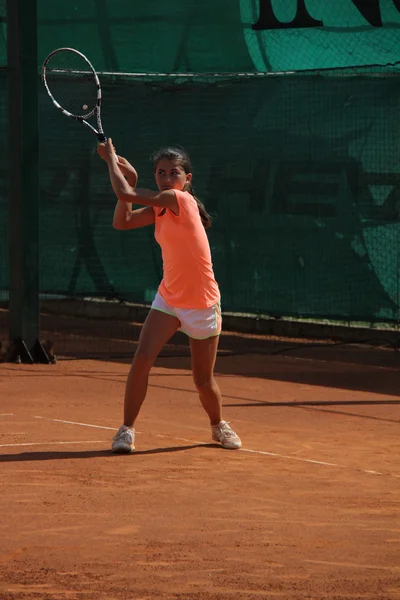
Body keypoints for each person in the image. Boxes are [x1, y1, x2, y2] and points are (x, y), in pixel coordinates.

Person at [97, 139, 242, 453]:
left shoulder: (179, 200)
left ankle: (218, 425)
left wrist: (111, 160)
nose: (166, 178)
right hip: (169, 299)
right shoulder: (161, 207)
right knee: (141, 361)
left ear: (186, 180)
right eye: (160, 173)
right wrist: (131, 180)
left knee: (203, 381)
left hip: (202, 304)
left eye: (173, 172)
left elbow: (126, 194)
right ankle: (127, 429)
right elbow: (122, 220)